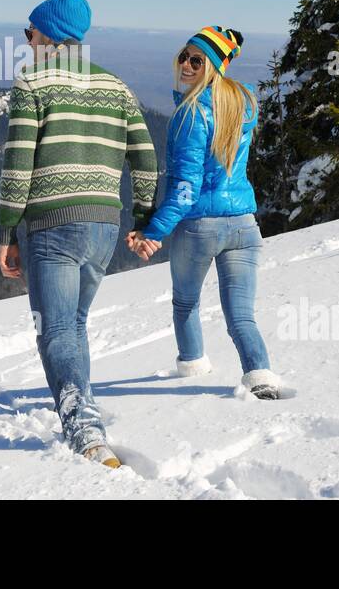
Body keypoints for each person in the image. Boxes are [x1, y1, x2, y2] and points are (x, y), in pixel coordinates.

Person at [0, 0, 158, 468]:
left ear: (48, 35)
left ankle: (86, 433)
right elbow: (146, 158)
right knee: (74, 324)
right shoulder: (117, 86)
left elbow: (17, 164)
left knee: (58, 330)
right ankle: (81, 405)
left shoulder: (32, 82)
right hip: (104, 227)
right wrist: (143, 216)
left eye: (29, 34)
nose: (27, 43)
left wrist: (6, 232)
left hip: (51, 225)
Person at [126, 26, 282, 400]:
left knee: (186, 302)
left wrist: (153, 232)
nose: (186, 64)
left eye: (197, 60)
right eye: (184, 55)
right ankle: (260, 376)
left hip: (200, 227)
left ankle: (192, 366)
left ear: (213, 67)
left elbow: (185, 189)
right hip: (244, 225)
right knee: (241, 314)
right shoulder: (243, 105)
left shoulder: (190, 114)